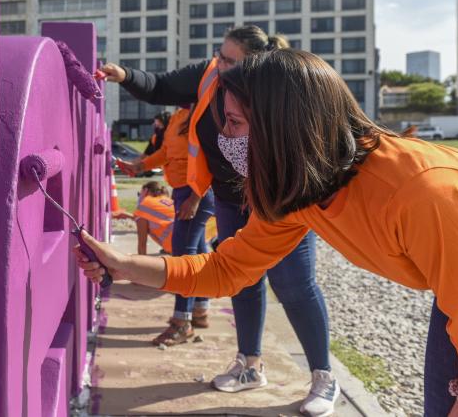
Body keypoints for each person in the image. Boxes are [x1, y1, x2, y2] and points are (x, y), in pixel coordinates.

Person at [77, 49, 458, 416]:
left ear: (284, 127)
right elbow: (228, 269)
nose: (224, 138)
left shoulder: (420, 193)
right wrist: (125, 265)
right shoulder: (303, 190)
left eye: (234, 123)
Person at [97, 26, 336, 415]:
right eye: (218, 54)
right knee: (241, 279)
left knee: (294, 285)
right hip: (230, 200)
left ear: (255, 66)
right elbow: (160, 86)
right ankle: (249, 365)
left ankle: (324, 376)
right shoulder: (210, 75)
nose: (219, 64)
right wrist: (122, 75)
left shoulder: (277, 88)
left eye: (229, 60)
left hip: (281, 201)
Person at [122, 108, 216, 345]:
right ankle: (199, 310)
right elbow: (166, 152)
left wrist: (195, 198)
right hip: (184, 191)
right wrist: (139, 166)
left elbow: (210, 158)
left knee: (184, 257)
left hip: (195, 192)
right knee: (198, 250)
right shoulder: (178, 117)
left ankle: (182, 322)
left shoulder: (201, 113)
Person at [132, 181, 175, 256]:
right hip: (197, 236)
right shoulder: (166, 200)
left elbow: (142, 244)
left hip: (178, 243)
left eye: (139, 194)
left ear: (145, 191)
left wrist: (140, 266)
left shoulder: (145, 205)